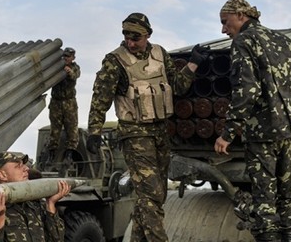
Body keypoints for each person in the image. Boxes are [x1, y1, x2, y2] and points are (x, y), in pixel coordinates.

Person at [85, 12, 207, 242]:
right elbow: (100, 97)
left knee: (152, 197)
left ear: (148, 35)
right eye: (126, 37)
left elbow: (178, 87)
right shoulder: (115, 61)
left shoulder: (160, 54)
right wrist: (94, 130)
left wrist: (193, 64)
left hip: (160, 133)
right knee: (151, 194)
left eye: (136, 37)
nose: (130, 43)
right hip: (134, 135)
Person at [213, 0, 291, 242]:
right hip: (290, 129)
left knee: (264, 202)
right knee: (285, 197)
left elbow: (246, 90)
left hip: (262, 134)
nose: (223, 29)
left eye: (225, 22)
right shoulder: (285, 41)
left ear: (241, 16)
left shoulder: (244, 41)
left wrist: (228, 133)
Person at [0, 151, 71, 241]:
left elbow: (56, 240)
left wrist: (50, 205)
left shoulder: (35, 203)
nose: (26, 168)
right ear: (2, 175)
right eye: (18, 166)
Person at [46, 47, 81, 163]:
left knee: (71, 129)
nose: (65, 58)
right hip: (56, 102)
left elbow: (75, 76)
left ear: (73, 58)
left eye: (68, 56)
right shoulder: (56, 67)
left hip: (69, 102)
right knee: (54, 130)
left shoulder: (74, 67)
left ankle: (69, 154)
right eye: (64, 56)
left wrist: (69, 71)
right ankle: (51, 154)